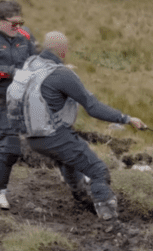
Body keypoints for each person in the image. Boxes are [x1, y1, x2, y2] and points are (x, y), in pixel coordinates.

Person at [14, 32, 145, 221]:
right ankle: (109, 220)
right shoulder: (63, 74)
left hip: (31, 136)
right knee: (98, 171)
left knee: (69, 160)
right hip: (54, 134)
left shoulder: (30, 66)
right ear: (63, 50)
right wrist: (126, 118)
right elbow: (93, 107)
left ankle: (82, 199)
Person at [0, 1, 35, 210]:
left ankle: (1, 191)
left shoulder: (25, 36)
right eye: (13, 23)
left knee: (11, 146)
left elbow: (34, 61)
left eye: (21, 22)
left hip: (12, 101)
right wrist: (13, 72)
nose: (18, 27)